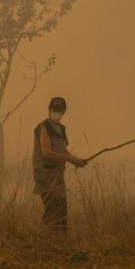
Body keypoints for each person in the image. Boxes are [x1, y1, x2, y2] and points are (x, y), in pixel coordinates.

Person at [32, 96, 86, 235]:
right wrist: (71, 159)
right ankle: (42, 240)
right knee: (52, 211)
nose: (57, 113)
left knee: (62, 212)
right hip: (45, 175)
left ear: (64, 112)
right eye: (54, 110)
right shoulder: (44, 126)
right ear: (49, 110)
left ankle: (60, 245)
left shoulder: (61, 129)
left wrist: (77, 160)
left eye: (60, 111)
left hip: (58, 176)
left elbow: (63, 150)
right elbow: (46, 152)